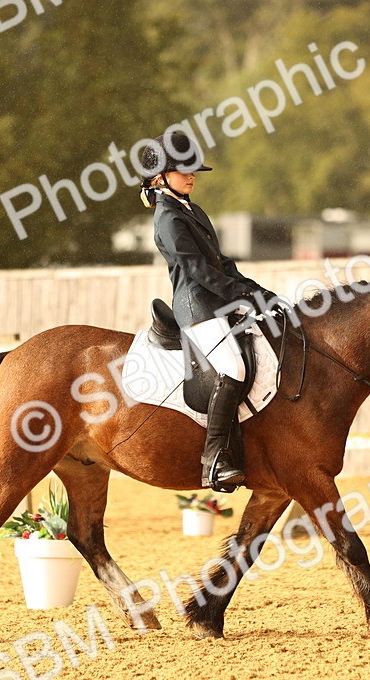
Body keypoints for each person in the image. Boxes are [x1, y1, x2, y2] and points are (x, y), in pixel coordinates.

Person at [139, 131, 277, 491]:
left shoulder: (191, 210)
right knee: (232, 367)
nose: (191, 176)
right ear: (160, 177)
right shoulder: (168, 219)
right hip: (195, 307)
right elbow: (198, 272)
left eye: (193, 170)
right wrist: (241, 296)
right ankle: (214, 458)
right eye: (183, 170)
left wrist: (255, 290)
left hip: (216, 300)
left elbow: (220, 263)